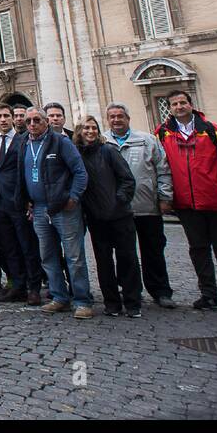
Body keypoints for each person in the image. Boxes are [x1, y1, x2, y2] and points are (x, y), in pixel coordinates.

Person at [156, 90, 217, 316]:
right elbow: (159, 168)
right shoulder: (163, 134)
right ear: (169, 107)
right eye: (174, 104)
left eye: (183, 102)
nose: (179, 107)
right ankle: (208, 294)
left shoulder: (213, 131)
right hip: (188, 206)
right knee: (198, 250)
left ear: (190, 104)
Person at [17, 107, 93, 319]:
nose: (32, 124)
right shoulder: (24, 143)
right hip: (39, 208)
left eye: (37, 120)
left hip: (63, 208)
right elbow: (21, 175)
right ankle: (59, 297)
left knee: (74, 256)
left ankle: (82, 300)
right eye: (29, 121)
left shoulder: (61, 142)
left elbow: (80, 172)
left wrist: (73, 197)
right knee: (48, 256)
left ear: (46, 122)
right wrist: (26, 200)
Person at [103, 103, 174, 308]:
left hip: (146, 206)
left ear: (128, 119)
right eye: (112, 117)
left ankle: (161, 290)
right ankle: (130, 290)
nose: (116, 120)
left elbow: (163, 169)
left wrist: (165, 197)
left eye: (120, 116)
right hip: (117, 209)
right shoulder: (102, 141)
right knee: (125, 254)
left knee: (153, 250)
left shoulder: (147, 140)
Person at [74, 116, 142, 318]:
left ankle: (132, 302)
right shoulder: (77, 155)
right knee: (103, 262)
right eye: (86, 128)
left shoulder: (109, 151)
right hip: (96, 217)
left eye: (94, 128)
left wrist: (119, 200)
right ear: (79, 131)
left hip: (120, 215)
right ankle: (111, 302)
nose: (90, 131)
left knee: (127, 258)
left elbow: (127, 180)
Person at [0, 103, 40, 304]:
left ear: (13, 118)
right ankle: (17, 284)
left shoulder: (24, 141)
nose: (3, 119)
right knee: (7, 246)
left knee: (27, 245)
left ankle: (33, 286)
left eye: (6, 116)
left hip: (18, 200)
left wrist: (28, 200)